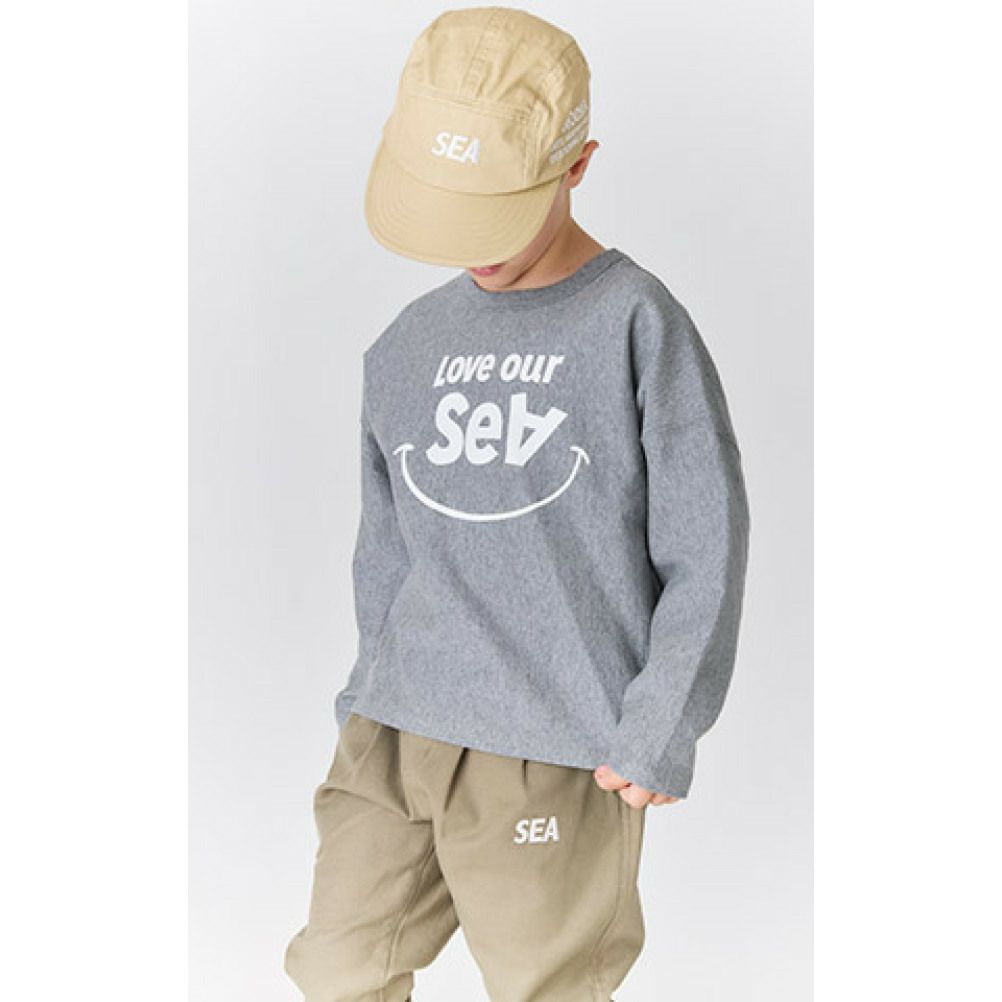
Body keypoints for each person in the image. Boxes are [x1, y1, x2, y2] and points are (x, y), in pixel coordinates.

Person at [285, 7, 750, 1001]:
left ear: (578, 165)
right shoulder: (405, 344)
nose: (474, 247)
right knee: (337, 966)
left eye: (495, 211)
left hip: (553, 740)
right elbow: (386, 551)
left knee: (548, 984)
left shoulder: (633, 323)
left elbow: (704, 542)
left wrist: (663, 719)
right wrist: (361, 699)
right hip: (394, 734)